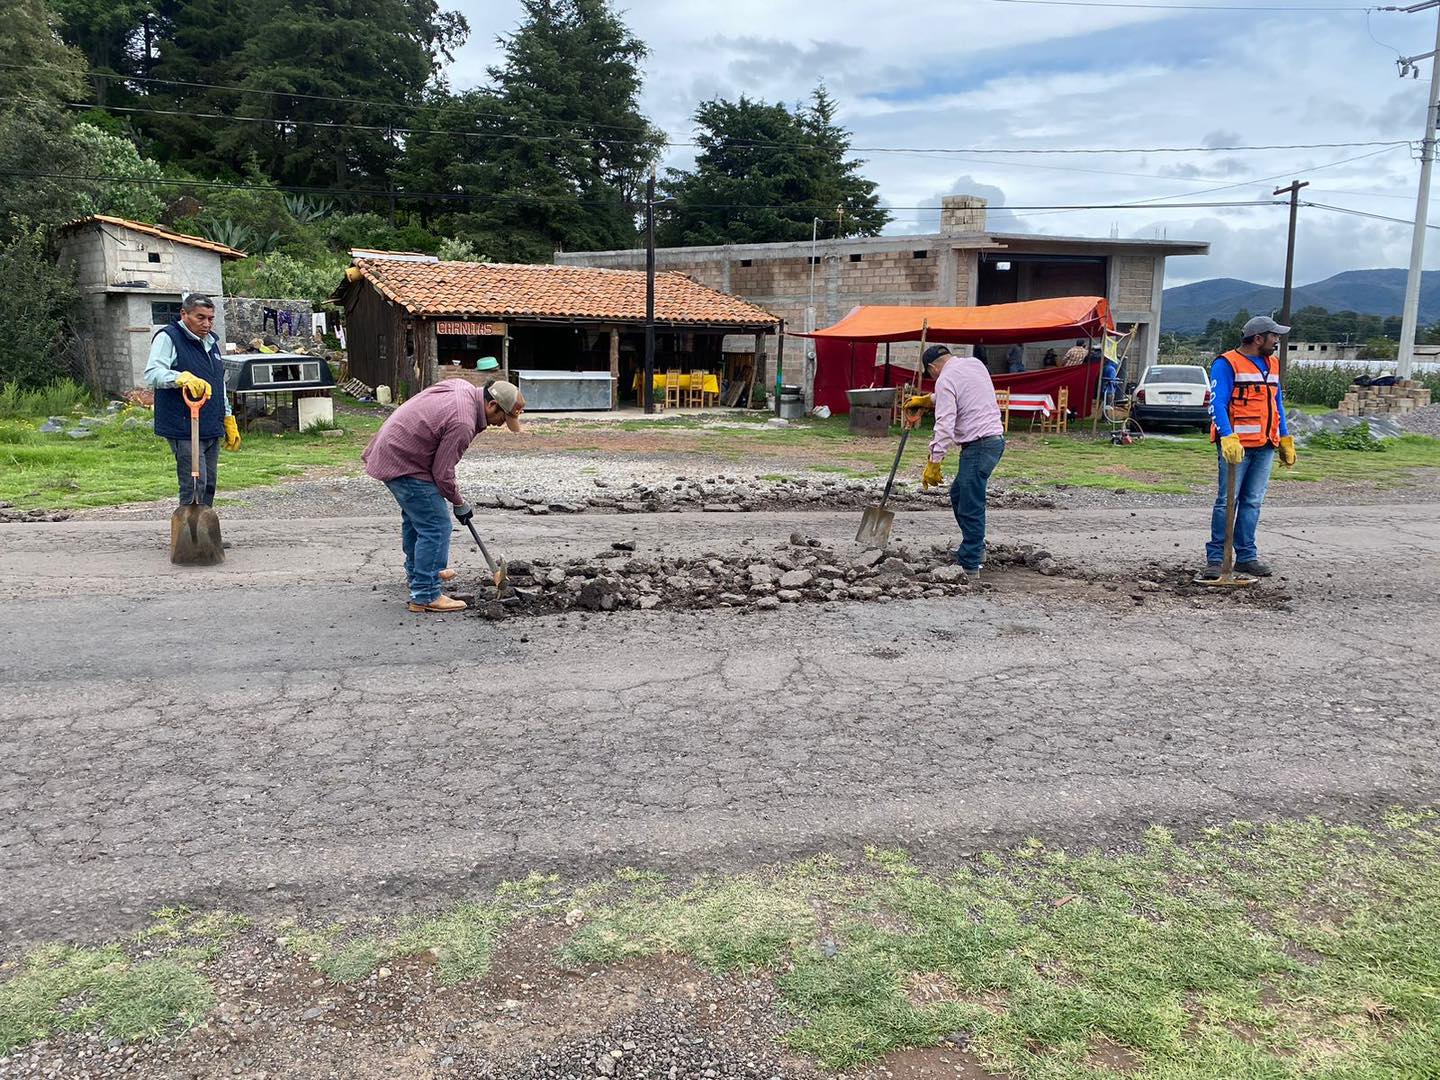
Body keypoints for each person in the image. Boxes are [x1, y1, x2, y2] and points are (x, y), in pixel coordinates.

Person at [362, 378, 525, 613]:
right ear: (491, 406)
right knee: (436, 526)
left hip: (393, 449)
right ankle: (426, 593)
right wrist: (459, 502)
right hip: (404, 462)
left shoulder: (462, 386)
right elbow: (443, 473)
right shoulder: (463, 422)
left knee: (417, 520)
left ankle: (420, 573)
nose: (500, 425)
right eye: (503, 418)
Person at [1201, 315, 1296, 579]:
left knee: (1252, 502)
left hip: (1265, 445)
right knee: (1226, 502)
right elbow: (1217, 404)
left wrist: (1285, 438)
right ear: (1258, 338)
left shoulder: (1273, 364)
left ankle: (1246, 556)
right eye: (1274, 336)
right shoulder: (1226, 363)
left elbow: (1277, 404)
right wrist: (1228, 437)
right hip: (1236, 447)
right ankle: (1217, 558)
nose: (1277, 341)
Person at [903, 345, 1005, 577]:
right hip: (994, 442)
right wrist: (927, 400)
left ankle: (969, 564)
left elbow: (945, 424)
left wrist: (934, 460)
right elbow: (962, 391)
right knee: (959, 494)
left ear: (932, 368)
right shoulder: (974, 364)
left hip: (978, 446)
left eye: (931, 374)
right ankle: (976, 548)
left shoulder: (944, 379)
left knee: (970, 503)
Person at [144, 294, 241, 512]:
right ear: (184, 314)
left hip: (210, 423)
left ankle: (205, 535)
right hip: (184, 424)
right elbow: (152, 373)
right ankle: (189, 537)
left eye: (210, 318)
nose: (206, 323)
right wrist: (179, 378)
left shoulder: (211, 343)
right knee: (194, 483)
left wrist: (227, 416)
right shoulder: (169, 337)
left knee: (209, 484)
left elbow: (218, 384)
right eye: (200, 318)